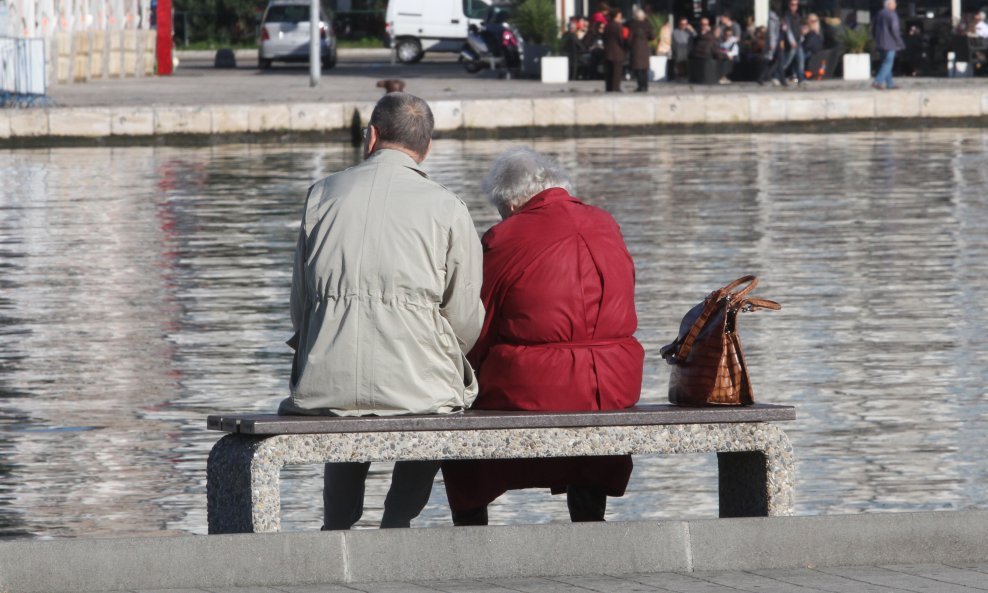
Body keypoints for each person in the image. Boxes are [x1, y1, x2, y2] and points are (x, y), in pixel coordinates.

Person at [283, 92, 484, 530]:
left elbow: (300, 307)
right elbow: (466, 317)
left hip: (326, 384)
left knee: (341, 393)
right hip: (419, 385)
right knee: (435, 401)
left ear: (370, 136)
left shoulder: (321, 196)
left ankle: (337, 526)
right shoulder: (449, 208)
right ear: (426, 147)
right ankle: (397, 522)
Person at [442, 147, 644, 526]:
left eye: (502, 210)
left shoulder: (507, 236)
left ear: (514, 202)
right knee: (588, 435)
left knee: (463, 429)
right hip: (614, 385)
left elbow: (476, 325)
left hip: (534, 387)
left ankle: (470, 539)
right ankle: (588, 524)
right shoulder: (606, 223)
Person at [872, 0, 905, 90]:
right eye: (894, 3)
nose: (896, 5)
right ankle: (878, 81)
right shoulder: (892, 14)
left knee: (885, 63)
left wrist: (876, 39)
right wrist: (899, 42)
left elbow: (873, 28)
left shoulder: (879, 14)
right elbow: (895, 30)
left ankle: (890, 84)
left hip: (880, 42)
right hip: (890, 43)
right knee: (888, 63)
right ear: (889, 4)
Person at [627, 8, 655, 91]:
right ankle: (645, 86)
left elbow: (630, 38)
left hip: (636, 48)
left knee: (638, 68)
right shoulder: (647, 24)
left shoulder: (633, 24)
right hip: (645, 48)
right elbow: (652, 36)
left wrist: (628, 45)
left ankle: (640, 86)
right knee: (644, 69)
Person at [780, 0, 805, 85]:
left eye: (796, 5)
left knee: (800, 60)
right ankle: (777, 76)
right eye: (792, 4)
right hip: (791, 43)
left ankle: (801, 79)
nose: (794, 7)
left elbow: (800, 27)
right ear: (789, 5)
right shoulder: (786, 16)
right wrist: (792, 41)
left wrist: (802, 34)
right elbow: (788, 30)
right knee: (787, 61)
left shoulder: (798, 15)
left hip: (798, 41)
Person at [603, 8, 627, 92]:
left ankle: (609, 88)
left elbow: (604, 38)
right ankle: (615, 88)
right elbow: (621, 39)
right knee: (616, 72)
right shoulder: (618, 26)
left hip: (608, 52)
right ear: (616, 16)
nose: (621, 17)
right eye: (620, 16)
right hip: (617, 52)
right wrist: (625, 47)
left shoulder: (607, 26)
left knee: (609, 72)